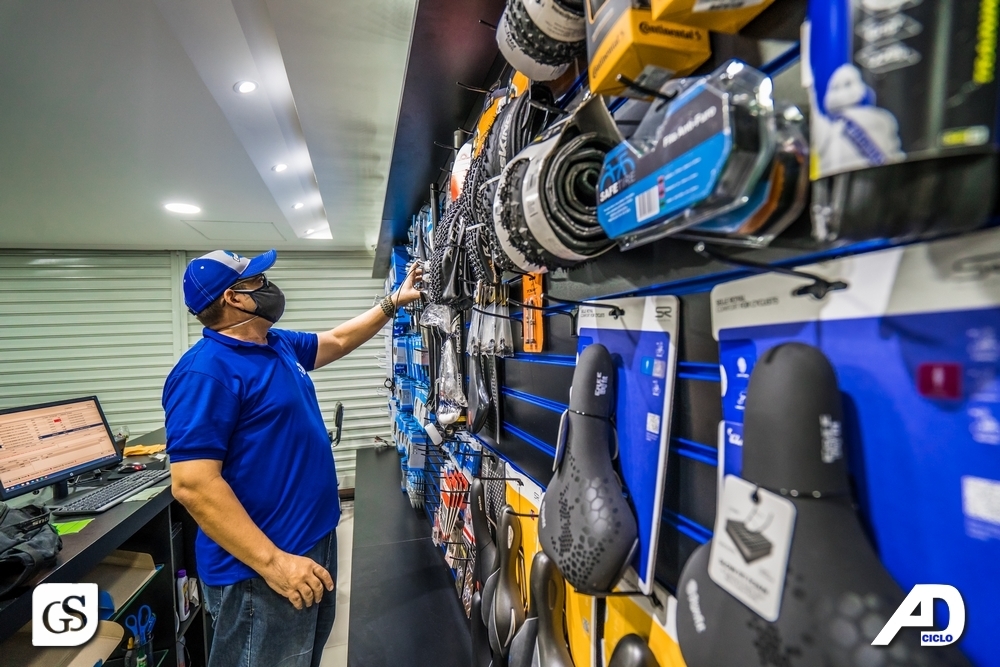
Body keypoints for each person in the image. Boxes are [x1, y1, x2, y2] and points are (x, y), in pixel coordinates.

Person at [163, 249, 422, 667]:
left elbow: (336, 340)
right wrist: (275, 564)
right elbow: (192, 484)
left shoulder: (274, 344)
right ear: (235, 298)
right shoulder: (205, 372)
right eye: (257, 281)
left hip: (310, 543)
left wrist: (393, 302)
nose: (268, 285)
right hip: (261, 572)